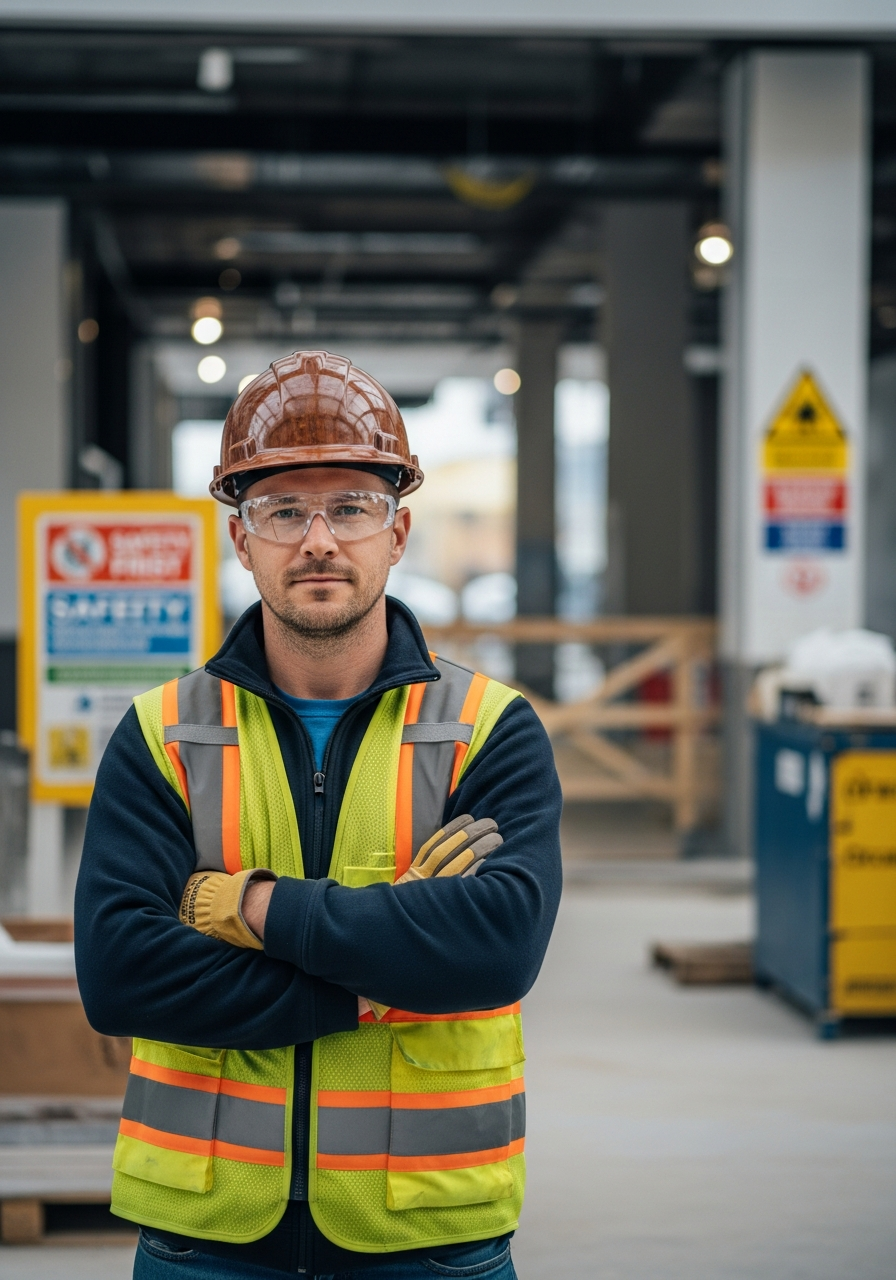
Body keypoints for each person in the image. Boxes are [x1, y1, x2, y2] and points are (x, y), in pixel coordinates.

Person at [75, 350, 562, 1280]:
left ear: (399, 530)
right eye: (283, 510)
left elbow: (496, 950)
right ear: (241, 539)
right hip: (206, 1236)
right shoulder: (161, 736)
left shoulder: (488, 731)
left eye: (350, 507)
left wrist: (254, 909)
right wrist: (380, 978)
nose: (319, 541)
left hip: (429, 1235)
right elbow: (123, 976)